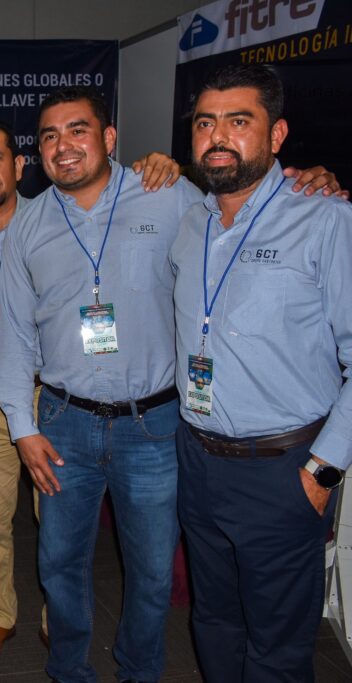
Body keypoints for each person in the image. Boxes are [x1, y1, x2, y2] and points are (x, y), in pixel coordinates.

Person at [0, 87, 344, 683]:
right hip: (62, 424)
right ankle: (68, 670)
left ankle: (140, 672)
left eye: (78, 130)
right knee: (59, 565)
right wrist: (22, 427)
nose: (63, 146)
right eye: (49, 135)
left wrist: (314, 181)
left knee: (154, 573)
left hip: (155, 425)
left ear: (109, 138)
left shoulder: (172, 195)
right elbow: (14, 335)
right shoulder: (27, 224)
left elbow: (243, 201)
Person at [0, 118, 181, 667]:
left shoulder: (54, 220)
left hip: (51, 397)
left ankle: (60, 625)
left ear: (18, 165)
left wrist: (166, 166)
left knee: (60, 532)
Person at [171, 63, 352, 683]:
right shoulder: (189, 220)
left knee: (278, 647)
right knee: (214, 620)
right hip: (198, 459)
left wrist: (323, 470)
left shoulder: (324, 219)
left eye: (238, 121)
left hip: (283, 469)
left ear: (276, 135)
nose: (218, 136)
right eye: (205, 123)